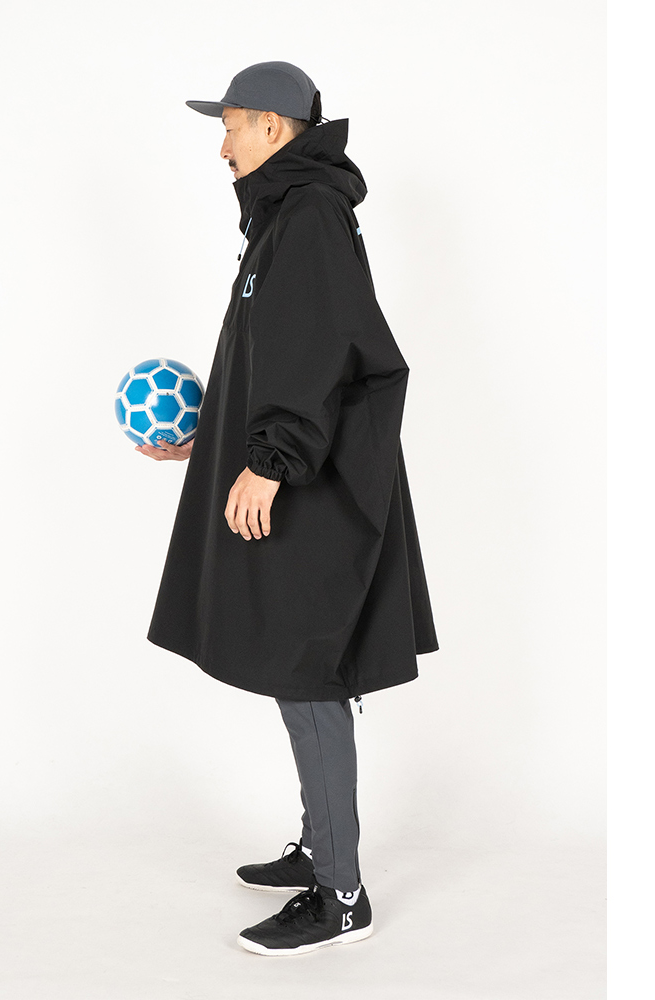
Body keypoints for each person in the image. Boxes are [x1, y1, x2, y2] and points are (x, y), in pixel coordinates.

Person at [138, 61, 439, 956]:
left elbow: (321, 354)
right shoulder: (286, 215)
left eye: (231, 124)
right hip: (298, 469)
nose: (222, 145)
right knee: (293, 670)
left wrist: (271, 462)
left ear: (273, 126)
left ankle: (341, 896)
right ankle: (320, 844)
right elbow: (275, 356)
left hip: (315, 484)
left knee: (310, 677)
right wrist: (212, 435)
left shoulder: (306, 215)